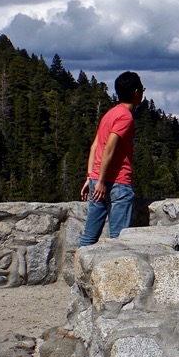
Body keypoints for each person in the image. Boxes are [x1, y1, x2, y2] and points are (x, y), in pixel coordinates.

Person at [78, 71, 144, 245]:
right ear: (137, 92)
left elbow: (95, 146)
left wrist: (90, 176)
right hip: (117, 182)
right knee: (118, 240)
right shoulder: (125, 117)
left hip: (97, 179)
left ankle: (79, 271)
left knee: (89, 237)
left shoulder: (110, 114)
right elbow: (109, 148)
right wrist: (100, 180)